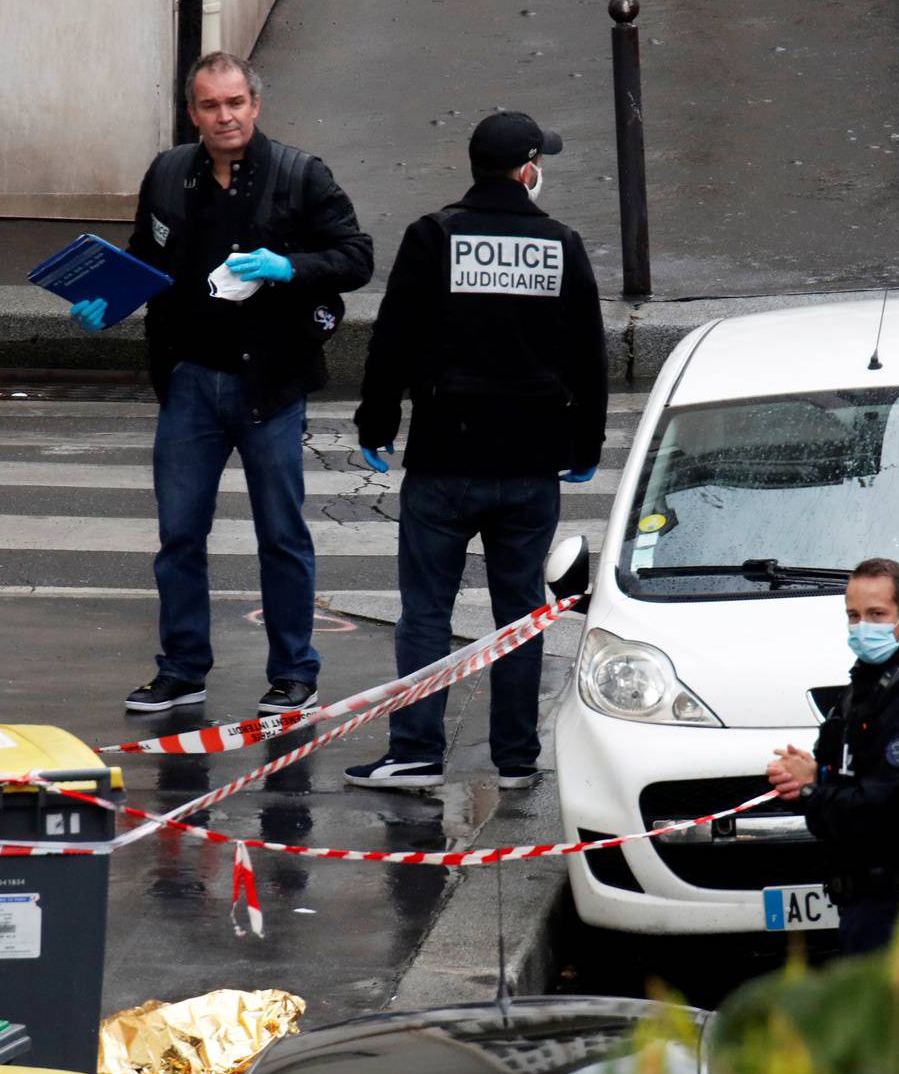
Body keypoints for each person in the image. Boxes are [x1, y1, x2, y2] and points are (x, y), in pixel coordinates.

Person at [71, 51, 373, 716]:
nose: (224, 115)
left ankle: (295, 670)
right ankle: (182, 668)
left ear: (255, 105)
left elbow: (357, 257)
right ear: (193, 113)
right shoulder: (170, 173)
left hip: (268, 383)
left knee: (281, 533)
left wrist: (290, 266)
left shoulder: (300, 175)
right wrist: (108, 297)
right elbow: (145, 258)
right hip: (190, 379)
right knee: (179, 534)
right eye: (210, 105)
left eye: (235, 102)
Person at [339, 112, 607, 791]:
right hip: (529, 467)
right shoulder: (560, 243)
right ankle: (516, 759)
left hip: (444, 461)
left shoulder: (434, 236)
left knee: (425, 611)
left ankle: (415, 753)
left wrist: (376, 424)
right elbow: (589, 356)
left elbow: (391, 340)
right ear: (526, 169)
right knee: (519, 615)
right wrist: (586, 442)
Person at [766, 559, 899, 957]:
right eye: (854, 616)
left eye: (876, 614)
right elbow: (840, 771)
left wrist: (811, 790)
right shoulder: (866, 688)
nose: (863, 627)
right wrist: (806, 775)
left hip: (897, 902)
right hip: (860, 900)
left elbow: (880, 812)